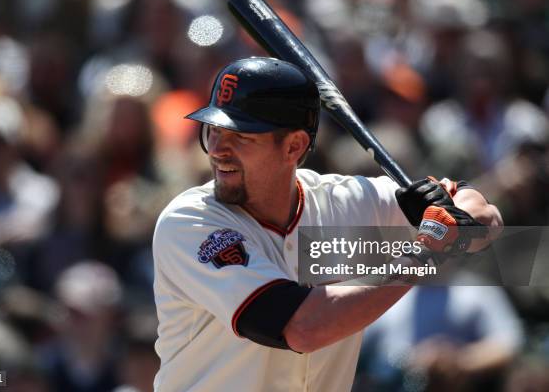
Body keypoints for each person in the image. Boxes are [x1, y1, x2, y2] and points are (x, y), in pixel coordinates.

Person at [152, 57, 502, 392]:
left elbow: (486, 216)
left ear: (294, 146)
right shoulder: (189, 221)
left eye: (240, 137)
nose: (217, 150)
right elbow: (303, 328)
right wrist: (425, 253)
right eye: (214, 130)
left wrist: (453, 220)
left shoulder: (345, 199)